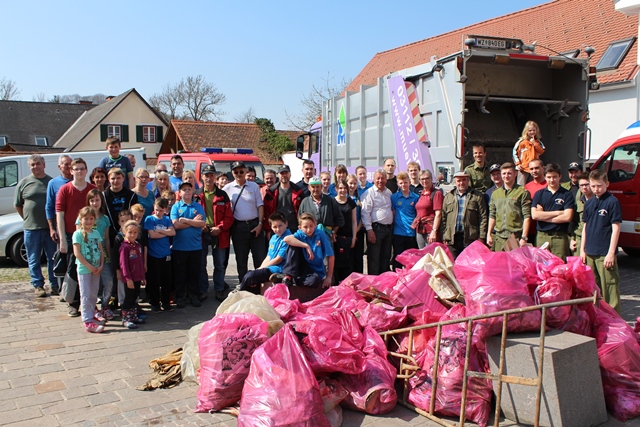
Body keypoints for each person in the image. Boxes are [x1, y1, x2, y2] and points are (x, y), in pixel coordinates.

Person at [56, 158, 96, 317]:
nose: (79, 172)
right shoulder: (64, 189)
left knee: (88, 269)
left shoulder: (92, 189)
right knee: (73, 269)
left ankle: (90, 303)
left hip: (91, 235)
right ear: (71, 171)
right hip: (71, 235)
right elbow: (59, 214)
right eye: (76, 169)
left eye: (82, 169)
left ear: (86, 171)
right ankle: (73, 303)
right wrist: (62, 240)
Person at [14, 154, 56, 297]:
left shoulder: (51, 182)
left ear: (44, 165)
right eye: (32, 164)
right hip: (31, 229)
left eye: (38, 163)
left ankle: (55, 284)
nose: (35, 167)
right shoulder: (24, 183)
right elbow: (18, 205)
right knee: (33, 258)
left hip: (49, 228)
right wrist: (28, 218)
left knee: (52, 258)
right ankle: (38, 285)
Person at [581, 169, 622, 313]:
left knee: (609, 287)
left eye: (599, 186)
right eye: (593, 186)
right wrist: (582, 250)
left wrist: (611, 252)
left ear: (607, 184)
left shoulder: (612, 202)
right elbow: (585, 226)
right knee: (593, 288)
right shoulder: (589, 203)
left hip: (604, 252)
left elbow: (616, 227)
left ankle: (614, 318)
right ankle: (597, 316)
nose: (596, 189)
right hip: (590, 252)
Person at [223, 161, 266, 283]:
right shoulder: (227, 188)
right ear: (232, 173)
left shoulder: (254, 186)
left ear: (245, 172)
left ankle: (260, 285)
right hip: (238, 227)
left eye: (241, 171)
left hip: (255, 225)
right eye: (236, 172)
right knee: (241, 260)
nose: (239, 174)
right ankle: (244, 285)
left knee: (259, 259)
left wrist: (260, 224)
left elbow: (260, 206)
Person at [196, 165, 234, 302]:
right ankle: (203, 290)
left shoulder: (222, 195)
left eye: (211, 175)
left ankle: (219, 289)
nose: (209, 178)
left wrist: (220, 228)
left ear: (215, 177)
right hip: (201, 233)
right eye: (206, 175)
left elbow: (229, 216)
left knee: (219, 264)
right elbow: (192, 214)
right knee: (201, 264)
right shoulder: (196, 195)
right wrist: (201, 225)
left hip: (219, 233)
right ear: (202, 177)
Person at [276, 212, 334, 288]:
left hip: (315, 270)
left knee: (314, 281)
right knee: (293, 245)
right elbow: (286, 239)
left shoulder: (321, 234)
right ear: (300, 227)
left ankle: (294, 281)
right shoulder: (300, 234)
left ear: (315, 225)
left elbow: (331, 255)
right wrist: (306, 246)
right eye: (305, 227)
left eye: (311, 226)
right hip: (301, 266)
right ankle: (288, 276)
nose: (309, 229)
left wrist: (329, 277)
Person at [171, 182, 206, 308]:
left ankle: (193, 296)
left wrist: (185, 220)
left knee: (194, 274)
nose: (187, 191)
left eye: (189, 189)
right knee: (180, 274)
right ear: (179, 193)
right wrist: (193, 222)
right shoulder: (176, 207)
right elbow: (176, 225)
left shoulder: (198, 206)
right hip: (179, 247)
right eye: (184, 189)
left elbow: (202, 224)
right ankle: (180, 297)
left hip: (195, 247)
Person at [238, 211, 291, 292]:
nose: (278, 229)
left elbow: (278, 259)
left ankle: (240, 291)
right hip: (270, 267)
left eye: (280, 226)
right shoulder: (273, 238)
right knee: (251, 275)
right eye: (275, 227)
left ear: (286, 224)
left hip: (279, 269)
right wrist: (259, 268)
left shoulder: (288, 238)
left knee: (251, 276)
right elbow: (269, 257)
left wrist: (261, 268)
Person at [81, 189, 114, 320]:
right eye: (92, 200)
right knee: (90, 286)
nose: (95, 203)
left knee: (109, 282)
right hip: (88, 258)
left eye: (97, 200)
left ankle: (105, 306)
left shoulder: (105, 219)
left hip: (102, 256)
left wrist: (108, 256)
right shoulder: (82, 219)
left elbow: (106, 239)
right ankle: (92, 308)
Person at [531, 163, 575, 260]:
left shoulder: (567, 194)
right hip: (542, 236)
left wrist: (543, 216)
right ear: (545, 177)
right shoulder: (539, 194)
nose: (552, 180)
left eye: (555, 177)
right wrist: (558, 212)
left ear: (560, 176)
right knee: (541, 265)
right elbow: (534, 215)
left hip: (559, 237)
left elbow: (567, 217)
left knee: (559, 267)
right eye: (549, 177)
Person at [440, 171, 487, 258]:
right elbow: (443, 218)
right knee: (454, 264)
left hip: (470, 238)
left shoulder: (477, 196)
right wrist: (444, 236)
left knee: (469, 265)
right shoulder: (448, 196)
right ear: (455, 182)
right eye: (459, 180)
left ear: (468, 181)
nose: (461, 183)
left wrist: (482, 237)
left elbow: (483, 217)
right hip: (452, 239)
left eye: (464, 180)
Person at [73, 207, 105, 333]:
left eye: (91, 219)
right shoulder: (78, 234)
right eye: (86, 219)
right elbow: (77, 253)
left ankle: (92, 315)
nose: (88, 221)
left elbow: (101, 250)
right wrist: (89, 266)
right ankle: (87, 320)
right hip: (84, 269)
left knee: (93, 294)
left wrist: (101, 265)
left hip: (96, 269)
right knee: (85, 294)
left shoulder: (96, 233)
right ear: (81, 220)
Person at [487, 163, 532, 252]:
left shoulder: (522, 192)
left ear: (515, 174)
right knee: (499, 264)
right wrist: (489, 234)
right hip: (499, 237)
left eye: (509, 173)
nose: (506, 176)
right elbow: (492, 215)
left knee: (514, 265)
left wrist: (524, 237)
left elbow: (527, 216)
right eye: (504, 173)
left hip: (515, 237)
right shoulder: (495, 193)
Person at [144, 197, 176, 312]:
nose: (158, 212)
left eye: (161, 210)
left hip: (166, 253)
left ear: (165, 210)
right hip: (153, 254)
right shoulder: (149, 219)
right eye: (157, 210)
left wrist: (159, 231)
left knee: (166, 280)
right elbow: (152, 236)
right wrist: (165, 232)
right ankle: (155, 303)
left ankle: (166, 302)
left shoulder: (167, 220)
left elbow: (172, 232)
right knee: (154, 280)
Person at [361, 169, 393, 275]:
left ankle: (384, 283)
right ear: (374, 180)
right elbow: (365, 213)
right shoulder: (369, 193)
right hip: (376, 229)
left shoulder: (389, 193)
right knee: (374, 259)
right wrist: (369, 230)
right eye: (378, 178)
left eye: (382, 178)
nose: (380, 180)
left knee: (386, 257)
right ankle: (373, 284)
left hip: (388, 229)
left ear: (386, 179)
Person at [119, 220, 146, 329]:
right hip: (129, 278)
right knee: (129, 298)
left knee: (135, 297)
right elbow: (123, 264)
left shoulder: (138, 245)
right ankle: (126, 319)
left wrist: (143, 276)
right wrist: (127, 278)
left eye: (135, 232)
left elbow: (140, 262)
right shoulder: (124, 247)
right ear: (124, 232)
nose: (133, 235)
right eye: (130, 232)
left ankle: (133, 316)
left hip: (137, 277)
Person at [263, 165, 304, 235]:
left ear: (290, 174)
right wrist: (268, 230)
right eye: (282, 173)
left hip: (294, 228)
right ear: (278, 175)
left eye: (286, 173)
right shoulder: (271, 192)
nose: (284, 175)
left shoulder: (298, 191)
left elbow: (303, 211)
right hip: (277, 229)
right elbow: (267, 212)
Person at [46, 154, 72, 258]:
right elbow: (49, 206)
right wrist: (52, 228)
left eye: (71, 164)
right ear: (59, 167)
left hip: (77, 224)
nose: (69, 166)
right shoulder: (53, 183)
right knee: (63, 254)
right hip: (61, 225)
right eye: (66, 164)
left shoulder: (79, 181)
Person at [391, 172, 419, 268]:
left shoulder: (415, 197)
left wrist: (414, 224)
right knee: (398, 258)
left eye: (405, 182)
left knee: (410, 260)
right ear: (398, 184)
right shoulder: (394, 197)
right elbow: (393, 213)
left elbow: (418, 214)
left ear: (409, 182)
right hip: (398, 233)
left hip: (411, 233)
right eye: (401, 183)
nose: (403, 185)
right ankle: (397, 280)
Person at [103, 168, 138, 241]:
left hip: (128, 234)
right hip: (110, 233)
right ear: (109, 179)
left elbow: (135, 214)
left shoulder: (131, 195)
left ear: (123, 178)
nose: (116, 181)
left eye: (118, 178)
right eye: (113, 178)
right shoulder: (104, 196)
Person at [334, 179, 357, 281]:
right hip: (335, 238)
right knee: (336, 263)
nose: (342, 190)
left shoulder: (351, 203)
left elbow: (354, 221)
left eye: (344, 188)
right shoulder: (332, 202)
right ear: (336, 189)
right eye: (340, 188)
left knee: (347, 264)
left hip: (348, 237)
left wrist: (354, 237)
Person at [413, 169, 443, 249]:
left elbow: (438, 214)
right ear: (419, 180)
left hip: (430, 230)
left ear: (431, 179)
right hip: (420, 229)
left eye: (427, 178)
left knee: (431, 256)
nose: (425, 181)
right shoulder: (421, 194)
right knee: (422, 255)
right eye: (422, 179)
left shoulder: (436, 193)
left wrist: (434, 231)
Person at [112, 210, 133, 310]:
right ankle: (123, 307)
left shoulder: (136, 236)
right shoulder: (118, 238)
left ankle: (133, 306)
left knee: (133, 287)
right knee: (121, 287)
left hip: (133, 268)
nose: (125, 223)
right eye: (122, 221)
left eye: (128, 220)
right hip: (122, 268)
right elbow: (116, 256)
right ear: (119, 222)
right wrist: (117, 270)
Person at [513, 121, 545, 185]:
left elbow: (541, 151)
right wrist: (518, 164)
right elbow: (515, 153)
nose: (532, 132)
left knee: (536, 184)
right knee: (521, 185)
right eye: (530, 130)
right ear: (526, 131)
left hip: (534, 168)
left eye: (534, 130)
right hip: (523, 168)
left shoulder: (538, 142)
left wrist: (534, 143)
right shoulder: (521, 142)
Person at [524, 159, 547, 244]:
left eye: (537, 168)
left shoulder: (549, 185)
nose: (534, 171)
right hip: (530, 229)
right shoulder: (527, 187)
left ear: (543, 168)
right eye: (531, 169)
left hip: (545, 229)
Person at [572, 173, 593, 257]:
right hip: (579, 238)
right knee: (578, 268)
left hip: (593, 239)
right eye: (581, 185)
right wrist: (572, 239)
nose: (584, 187)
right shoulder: (579, 201)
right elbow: (574, 221)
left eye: (587, 184)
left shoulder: (599, 200)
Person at [346, 174, 365, 274]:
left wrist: (356, 231)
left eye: (354, 183)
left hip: (359, 231)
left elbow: (363, 215)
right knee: (349, 258)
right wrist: (353, 233)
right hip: (347, 232)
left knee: (358, 257)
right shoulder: (344, 197)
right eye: (350, 183)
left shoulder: (360, 197)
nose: (352, 185)